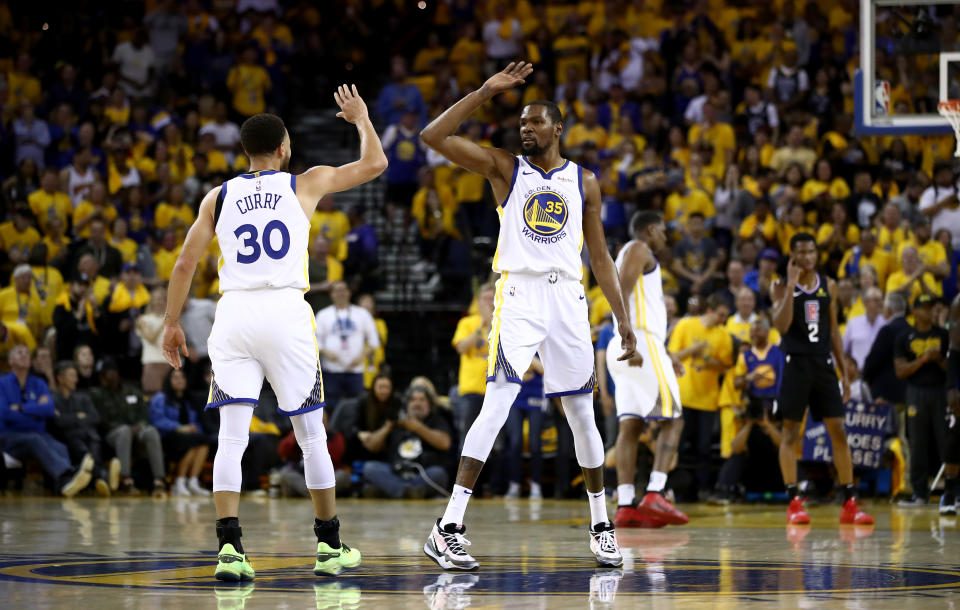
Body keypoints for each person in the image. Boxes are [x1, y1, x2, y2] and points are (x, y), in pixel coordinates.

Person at [159, 93, 387, 581]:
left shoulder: (217, 197)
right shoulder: (305, 183)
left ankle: (229, 551)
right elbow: (375, 163)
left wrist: (172, 321)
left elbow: (184, 264)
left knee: (231, 437)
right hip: (285, 311)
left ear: (245, 152)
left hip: (235, 313)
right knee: (311, 436)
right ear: (284, 148)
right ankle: (329, 545)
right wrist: (362, 119)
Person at [419, 63, 637, 570]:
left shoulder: (585, 181)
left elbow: (601, 257)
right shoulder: (504, 167)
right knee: (496, 403)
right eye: (521, 121)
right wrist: (484, 91)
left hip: (569, 300)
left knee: (582, 413)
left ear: (558, 129)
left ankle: (602, 526)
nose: (526, 128)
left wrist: (622, 319)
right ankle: (447, 525)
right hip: (518, 294)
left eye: (536, 121)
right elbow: (434, 135)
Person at [770, 232, 873, 525]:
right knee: (791, 433)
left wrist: (844, 372)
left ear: (816, 254)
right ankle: (793, 501)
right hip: (795, 363)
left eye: (811, 252)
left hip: (823, 365)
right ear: (791, 255)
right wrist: (790, 284)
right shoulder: (779, 285)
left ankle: (850, 502)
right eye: (800, 253)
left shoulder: (830, 285)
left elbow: (834, 332)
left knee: (839, 430)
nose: (806, 257)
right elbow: (782, 324)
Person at [607, 212, 688, 528]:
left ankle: (626, 504)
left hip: (631, 343)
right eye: (664, 231)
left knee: (631, 426)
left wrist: (665, 351)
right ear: (651, 229)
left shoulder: (627, 252)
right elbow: (622, 291)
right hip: (638, 341)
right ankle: (656, 491)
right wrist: (633, 339)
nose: (666, 238)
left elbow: (635, 300)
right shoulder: (640, 247)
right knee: (674, 418)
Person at [0, 345, 93, 497]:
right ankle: (68, 477)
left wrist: (21, 408)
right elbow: (4, 414)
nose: (24, 355)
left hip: (36, 433)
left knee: (60, 446)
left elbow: (49, 410)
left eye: (26, 353)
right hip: (9, 436)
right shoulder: (2, 384)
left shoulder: (39, 383)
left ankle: (62, 486)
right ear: (10, 360)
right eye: (19, 353)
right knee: (34, 439)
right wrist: (36, 411)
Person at [711, 316, 784, 503]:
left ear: (768, 332)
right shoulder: (745, 356)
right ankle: (724, 488)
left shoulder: (779, 353)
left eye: (757, 330)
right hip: (753, 404)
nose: (753, 333)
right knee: (739, 449)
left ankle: (799, 486)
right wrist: (750, 377)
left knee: (784, 444)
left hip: (775, 405)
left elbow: (785, 380)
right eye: (751, 330)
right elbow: (737, 382)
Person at [894, 295, 948, 506]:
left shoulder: (943, 335)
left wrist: (939, 359)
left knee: (946, 440)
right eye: (924, 308)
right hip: (915, 392)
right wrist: (925, 359)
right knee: (917, 442)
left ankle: (955, 491)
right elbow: (900, 371)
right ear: (914, 311)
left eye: (931, 308)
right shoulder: (904, 336)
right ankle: (919, 493)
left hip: (940, 391)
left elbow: (952, 368)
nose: (929, 312)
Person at [90, 356, 166, 496]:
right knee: (124, 431)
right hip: (113, 434)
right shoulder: (97, 394)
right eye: (102, 374)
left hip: (137, 430)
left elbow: (144, 414)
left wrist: (140, 426)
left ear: (116, 373)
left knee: (151, 431)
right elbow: (101, 421)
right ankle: (126, 481)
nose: (106, 377)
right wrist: (128, 428)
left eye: (108, 372)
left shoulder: (132, 391)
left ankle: (159, 481)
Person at [361, 385, 453, 499]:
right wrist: (387, 427)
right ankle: (407, 491)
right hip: (395, 473)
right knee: (370, 468)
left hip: (422, 475)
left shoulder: (437, 420)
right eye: (413, 400)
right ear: (407, 405)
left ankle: (393, 491)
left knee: (439, 473)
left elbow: (445, 443)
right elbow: (371, 446)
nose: (417, 403)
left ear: (429, 405)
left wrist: (418, 427)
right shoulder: (397, 422)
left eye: (422, 400)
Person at [51, 360, 118, 496]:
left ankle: (89, 473)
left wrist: (70, 418)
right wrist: (78, 416)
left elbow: (95, 418)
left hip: (86, 437)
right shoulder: (52, 398)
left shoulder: (83, 397)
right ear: (60, 378)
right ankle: (102, 475)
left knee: (92, 436)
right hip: (65, 439)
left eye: (76, 376)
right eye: (72, 376)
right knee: (78, 436)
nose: (76, 379)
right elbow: (57, 422)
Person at [315, 282, 380, 412]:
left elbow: (374, 341)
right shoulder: (323, 314)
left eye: (343, 290)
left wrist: (362, 356)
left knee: (356, 406)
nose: (340, 293)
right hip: (331, 370)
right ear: (331, 294)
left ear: (349, 292)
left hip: (355, 370)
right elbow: (315, 339)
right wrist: (325, 352)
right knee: (331, 406)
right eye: (337, 290)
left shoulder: (362, 314)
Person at [149, 368, 209, 497]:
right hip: (167, 436)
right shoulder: (161, 398)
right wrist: (180, 428)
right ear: (169, 380)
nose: (179, 380)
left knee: (203, 441)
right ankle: (179, 482)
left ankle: (193, 481)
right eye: (175, 378)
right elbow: (158, 420)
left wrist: (194, 428)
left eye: (182, 377)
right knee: (191, 441)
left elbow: (196, 421)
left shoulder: (189, 400)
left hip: (187, 436)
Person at [504, 357, 546, 499]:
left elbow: (546, 370)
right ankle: (514, 484)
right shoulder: (515, 340)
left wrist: (531, 359)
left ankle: (536, 485)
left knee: (535, 443)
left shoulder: (541, 341)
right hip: (515, 396)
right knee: (515, 441)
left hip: (536, 397)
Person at [943, 294, 960, 515]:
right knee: (956, 437)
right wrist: (951, 387)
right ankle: (949, 492)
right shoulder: (958, 304)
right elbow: (954, 348)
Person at [842, 287, 886, 370]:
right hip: (858, 375)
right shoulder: (853, 323)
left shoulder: (886, 324)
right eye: (876, 300)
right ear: (866, 303)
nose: (880, 303)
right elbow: (845, 351)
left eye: (881, 300)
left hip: (880, 375)